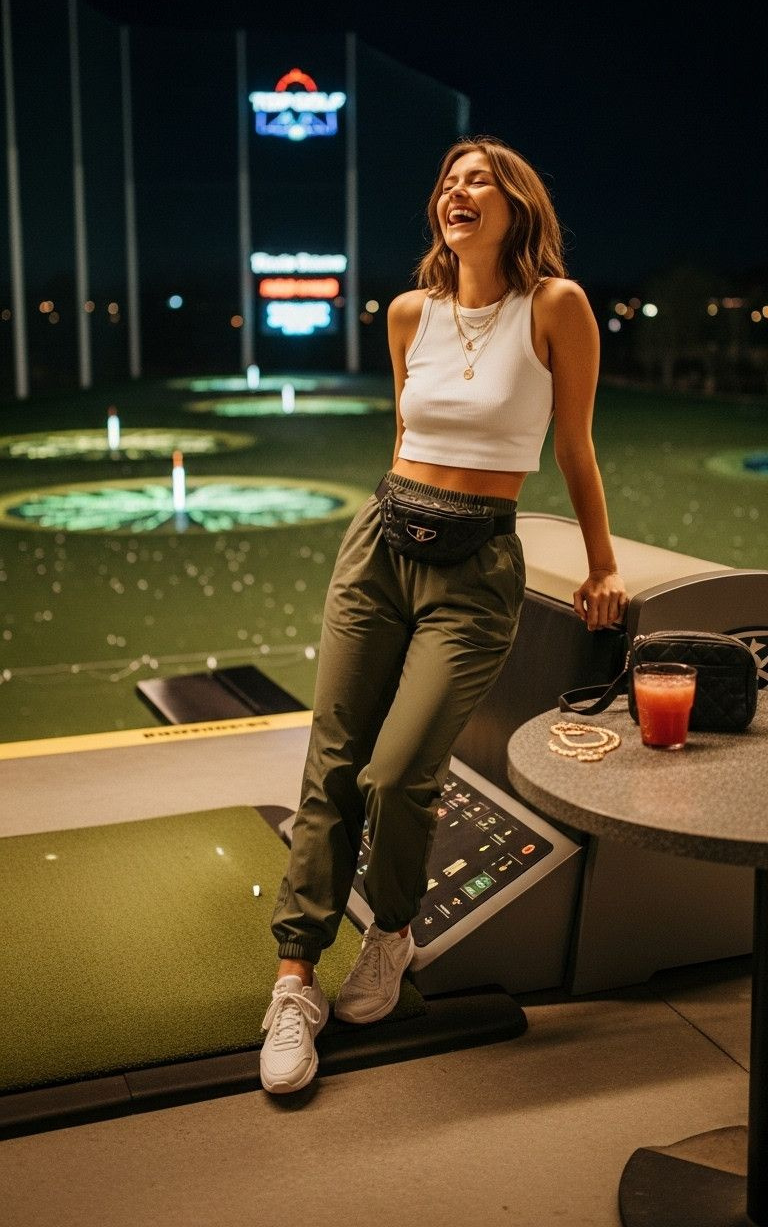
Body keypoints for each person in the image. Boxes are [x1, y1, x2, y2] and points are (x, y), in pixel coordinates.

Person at [259, 135, 628, 1094]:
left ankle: (388, 932)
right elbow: (406, 433)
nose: (459, 192)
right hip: (381, 546)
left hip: (476, 567)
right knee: (331, 765)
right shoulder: (409, 313)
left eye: (482, 181)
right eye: (449, 182)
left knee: (396, 774)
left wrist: (602, 566)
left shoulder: (556, 306)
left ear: (518, 205)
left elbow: (575, 449)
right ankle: (295, 977)